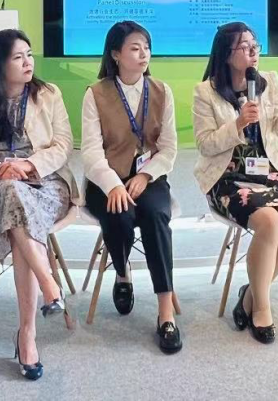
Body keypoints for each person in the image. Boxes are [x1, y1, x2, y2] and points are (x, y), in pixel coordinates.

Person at [0, 29, 76, 380]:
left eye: (29, 54)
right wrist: (1, 169)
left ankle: (27, 333)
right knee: (12, 196)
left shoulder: (48, 95)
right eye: (18, 57)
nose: (28, 62)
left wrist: (28, 165)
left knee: (17, 215)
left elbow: (64, 145)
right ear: (0, 64)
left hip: (46, 184)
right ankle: (47, 288)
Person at [192, 22, 278, 344]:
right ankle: (262, 307)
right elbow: (205, 145)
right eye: (244, 47)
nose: (252, 52)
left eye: (254, 45)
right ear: (226, 55)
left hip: (267, 171)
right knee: (269, 221)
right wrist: (238, 123)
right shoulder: (206, 92)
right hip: (228, 175)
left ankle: (249, 295)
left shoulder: (268, 81)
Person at [80, 21, 181, 354]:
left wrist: (146, 176)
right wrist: (113, 185)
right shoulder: (96, 94)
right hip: (105, 178)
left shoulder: (162, 91)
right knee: (118, 214)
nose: (143, 54)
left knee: (155, 215)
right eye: (135, 48)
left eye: (146, 48)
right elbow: (91, 152)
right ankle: (122, 273)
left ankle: (165, 311)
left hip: (147, 177)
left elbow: (168, 148)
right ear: (115, 54)